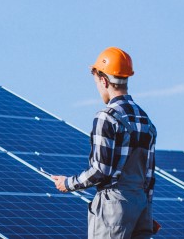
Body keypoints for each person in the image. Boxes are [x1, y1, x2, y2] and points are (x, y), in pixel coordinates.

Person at [51, 47, 157, 238]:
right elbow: (148, 177)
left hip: (113, 208)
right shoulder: (145, 120)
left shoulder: (106, 117)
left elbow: (100, 170)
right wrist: (146, 214)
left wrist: (68, 183)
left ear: (104, 80)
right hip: (140, 206)